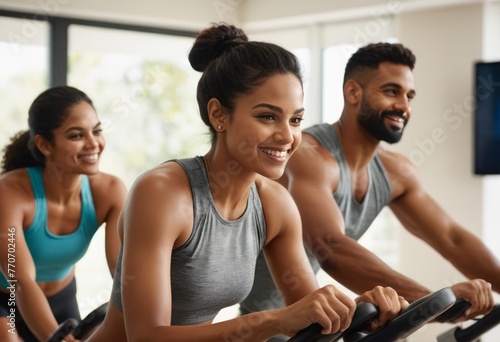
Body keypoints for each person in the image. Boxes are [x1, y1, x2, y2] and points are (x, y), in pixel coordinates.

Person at [87, 24, 409, 342]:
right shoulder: (163, 193)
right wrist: (276, 320)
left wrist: (360, 313)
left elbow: (312, 317)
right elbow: (147, 337)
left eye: (295, 119)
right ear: (219, 115)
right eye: (268, 116)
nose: (287, 136)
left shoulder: (274, 205)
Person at [240, 42, 497, 327]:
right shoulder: (309, 156)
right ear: (353, 92)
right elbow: (331, 247)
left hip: (303, 316)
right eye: (391, 91)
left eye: (409, 95)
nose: (403, 106)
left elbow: (452, 239)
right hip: (260, 321)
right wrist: (434, 301)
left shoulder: (395, 171)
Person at [0, 86, 127, 342]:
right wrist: (55, 337)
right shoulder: (9, 192)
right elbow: (21, 281)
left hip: (62, 298)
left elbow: (122, 273)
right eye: (76, 135)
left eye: (97, 131)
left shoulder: (110, 191)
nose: (93, 144)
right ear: (45, 144)